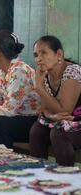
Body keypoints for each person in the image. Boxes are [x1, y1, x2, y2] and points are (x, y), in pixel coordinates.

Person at [29, 35, 81, 166]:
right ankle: (38, 175)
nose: (38, 59)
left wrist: (39, 88)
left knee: (58, 133)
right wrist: (52, 115)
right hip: (64, 122)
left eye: (44, 53)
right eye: (36, 55)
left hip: (76, 122)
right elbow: (43, 108)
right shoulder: (45, 74)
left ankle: (65, 178)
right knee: (37, 130)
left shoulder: (72, 71)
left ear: (59, 54)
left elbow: (65, 111)